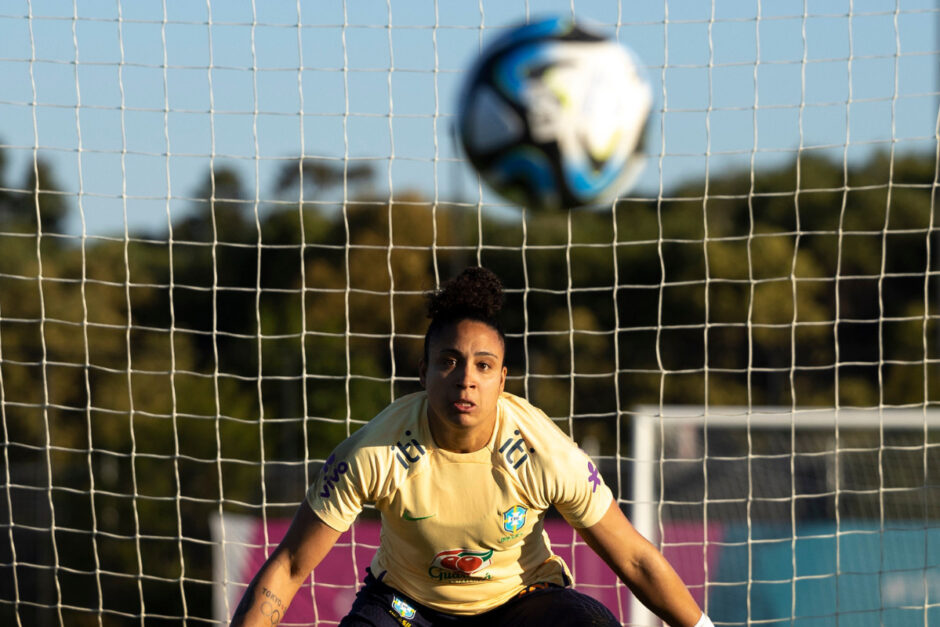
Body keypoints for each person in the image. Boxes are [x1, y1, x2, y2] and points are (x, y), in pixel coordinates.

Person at [231, 266, 713, 627]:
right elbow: (290, 565)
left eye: (483, 365)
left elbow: (634, 560)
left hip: (519, 605)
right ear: (423, 372)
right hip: (404, 607)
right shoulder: (372, 453)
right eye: (450, 361)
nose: (466, 379)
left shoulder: (547, 453)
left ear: (503, 380)